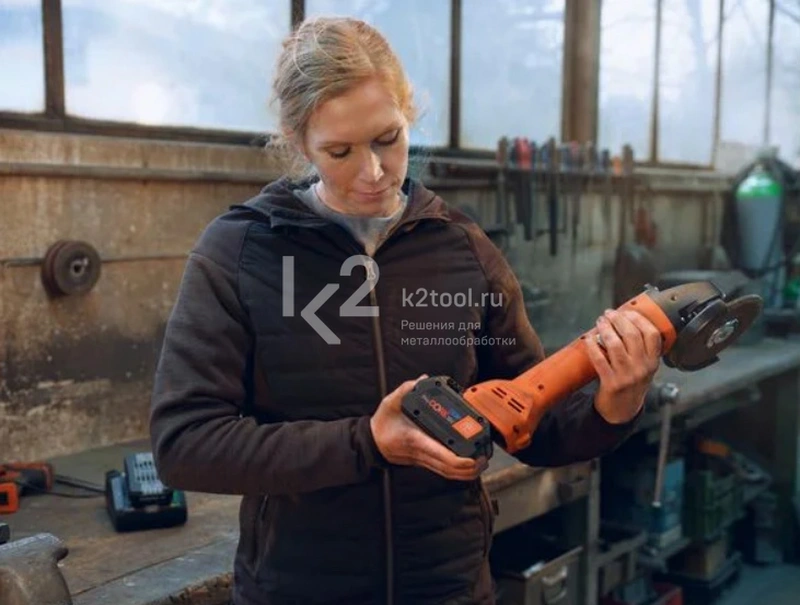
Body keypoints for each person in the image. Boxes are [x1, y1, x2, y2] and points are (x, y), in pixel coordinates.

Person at [149, 16, 663, 605]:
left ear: (407, 112)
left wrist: (615, 403)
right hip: (299, 588)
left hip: (447, 587)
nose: (372, 172)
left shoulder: (463, 249)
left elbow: (532, 420)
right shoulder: (240, 253)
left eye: (387, 139)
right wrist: (367, 442)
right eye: (339, 151)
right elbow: (184, 445)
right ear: (298, 141)